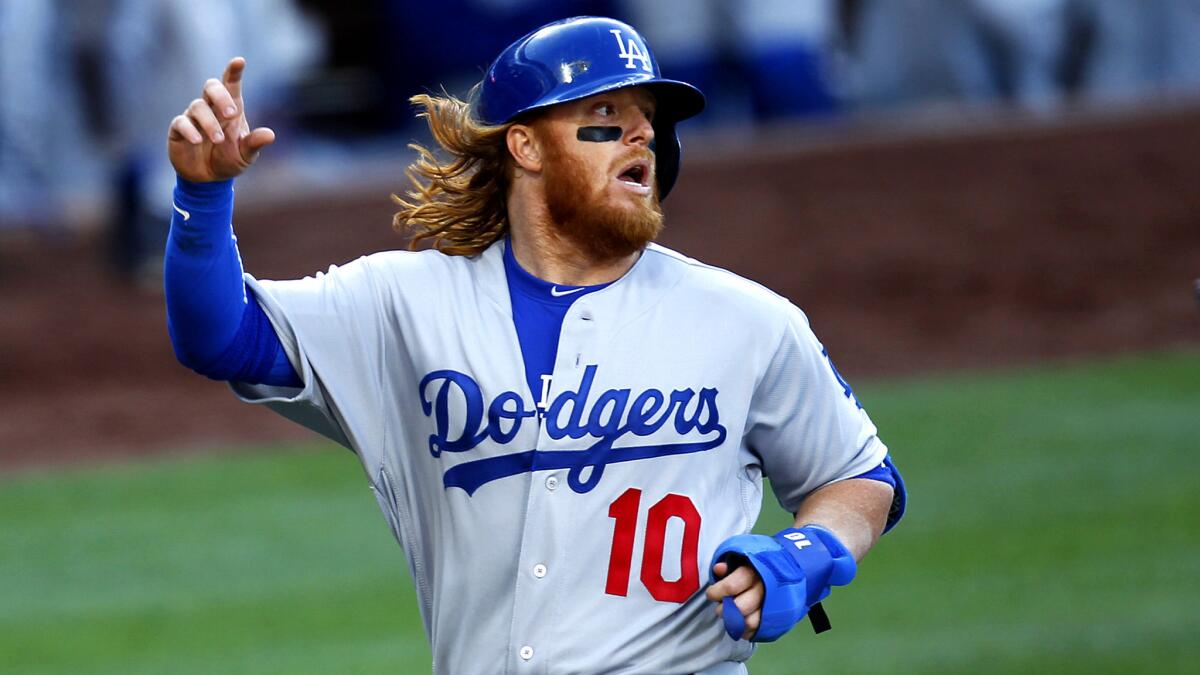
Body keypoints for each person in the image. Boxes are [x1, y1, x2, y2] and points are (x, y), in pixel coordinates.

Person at [164, 16, 905, 674]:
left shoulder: (746, 320)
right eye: (606, 113)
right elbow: (221, 335)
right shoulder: (401, 305)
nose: (642, 132)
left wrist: (811, 554)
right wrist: (201, 199)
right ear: (524, 144)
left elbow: (859, 474)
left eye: (648, 117)